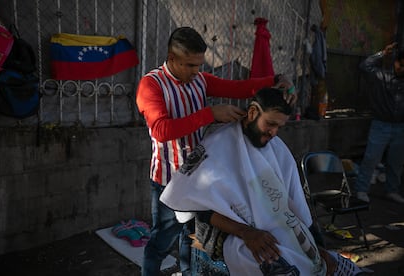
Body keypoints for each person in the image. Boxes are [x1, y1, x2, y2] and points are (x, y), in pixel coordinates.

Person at [135, 26, 296, 275]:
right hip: (168, 180)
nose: (196, 71)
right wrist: (210, 114)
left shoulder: (199, 80)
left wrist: (276, 81)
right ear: (172, 58)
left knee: (191, 238)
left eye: (199, 65)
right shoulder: (151, 85)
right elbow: (160, 130)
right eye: (190, 65)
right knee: (161, 242)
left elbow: (238, 88)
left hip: (197, 179)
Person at [160, 88, 365, 275]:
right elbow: (201, 209)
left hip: (282, 227)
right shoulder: (218, 146)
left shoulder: (277, 149)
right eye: (270, 123)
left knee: (332, 266)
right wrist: (247, 232)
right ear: (252, 114)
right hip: (232, 233)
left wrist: (318, 246)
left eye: (279, 127)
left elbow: (296, 202)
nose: (274, 132)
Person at [354, 42, 404, 204]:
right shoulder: (382, 76)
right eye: (400, 65)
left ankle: (392, 190)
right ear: (396, 61)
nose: (402, 69)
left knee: (396, 162)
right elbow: (364, 66)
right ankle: (361, 189)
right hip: (381, 124)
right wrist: (382, 53)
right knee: (371, 158)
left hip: (400, 126)